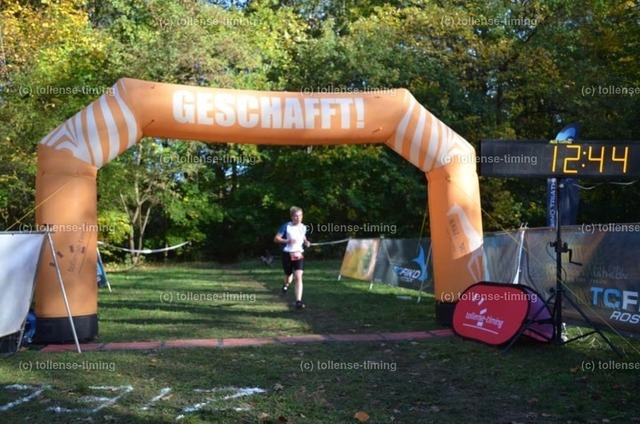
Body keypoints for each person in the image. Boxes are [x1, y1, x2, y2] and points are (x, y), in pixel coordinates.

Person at [274, 206, 311, 310]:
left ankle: (298, 301)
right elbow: (276, 239)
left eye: (300, 216)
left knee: (298, 276)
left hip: (299, 254)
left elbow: (303, 237)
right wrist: (287, 241)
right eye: (296, 216)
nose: (298, 218)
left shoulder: (303, 227)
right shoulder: (286, 226)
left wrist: (306, 242)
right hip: (287, 254)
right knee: (288, 275)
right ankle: (285, 286)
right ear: (291, 217)